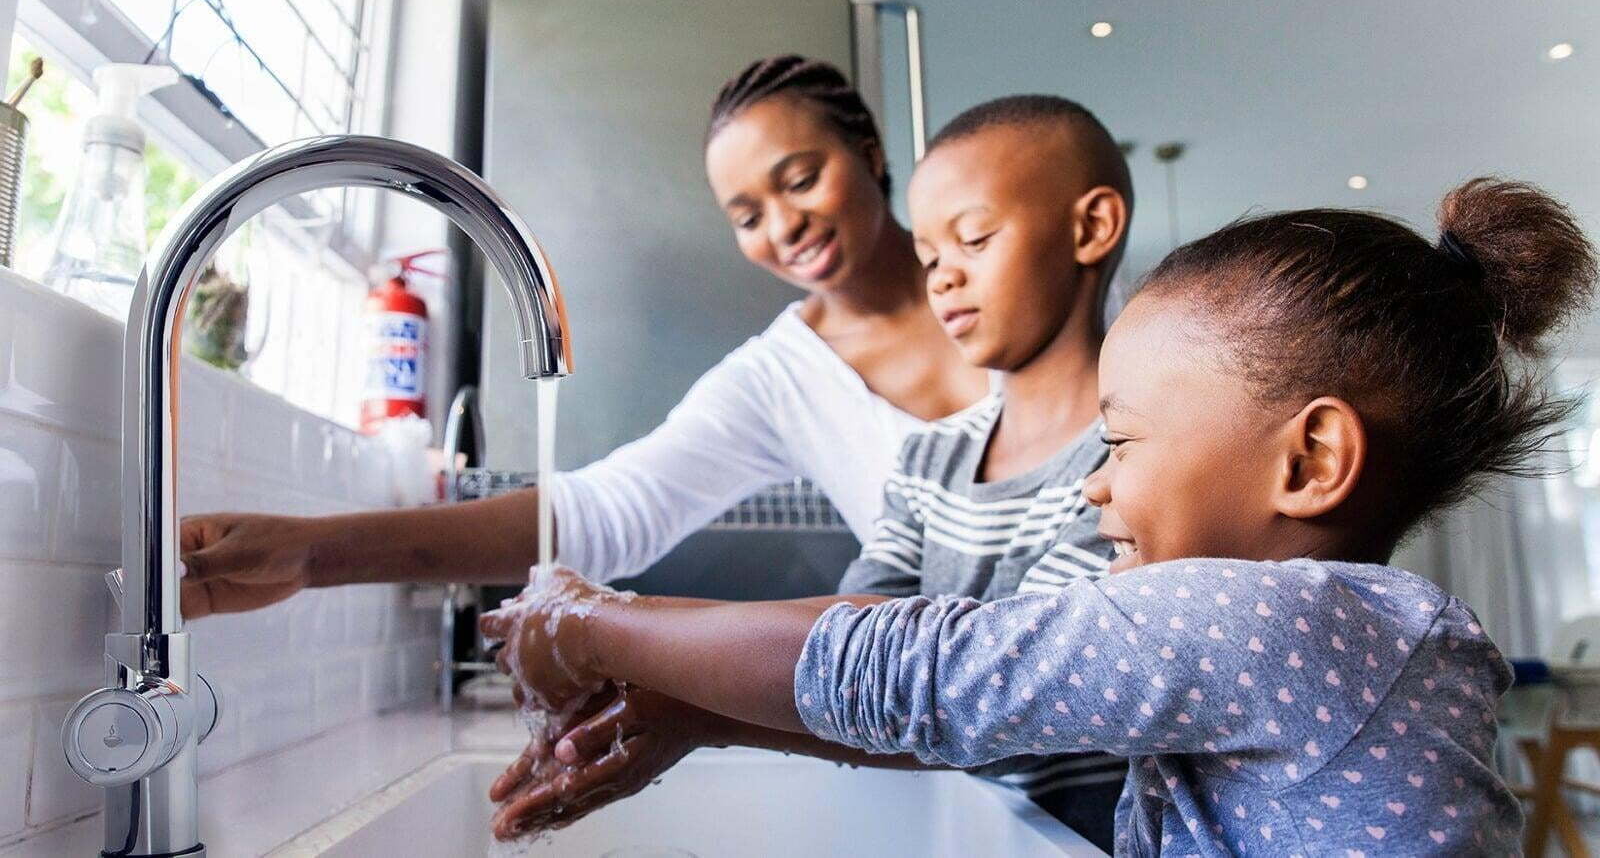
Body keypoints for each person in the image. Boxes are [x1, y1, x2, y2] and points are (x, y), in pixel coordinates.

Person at [486, 177, 1596, 854]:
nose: (1094, 484)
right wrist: (702, 714)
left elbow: (922, 670)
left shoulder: (1282, 623)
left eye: (1120, 443)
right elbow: (995, 713)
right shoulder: (1321, 636)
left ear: (1308, 460)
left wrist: (590, 621)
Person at [485, 95, 1136, 848]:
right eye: (929, 256)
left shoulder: (1135, 462)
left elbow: (983, 689)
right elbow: (859, 655)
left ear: (1091, 228)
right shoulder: (931, 462)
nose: (944, 279)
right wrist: (694, 713)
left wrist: (601, 627)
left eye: (975, 240)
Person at [177, 54, 987, 616]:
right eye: (747, 216)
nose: (785, 226)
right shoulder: (777, 381)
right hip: (996, 746)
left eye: (801, 179)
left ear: (870, 153)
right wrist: (314, 554)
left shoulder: (998, 269)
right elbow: (603, 512)